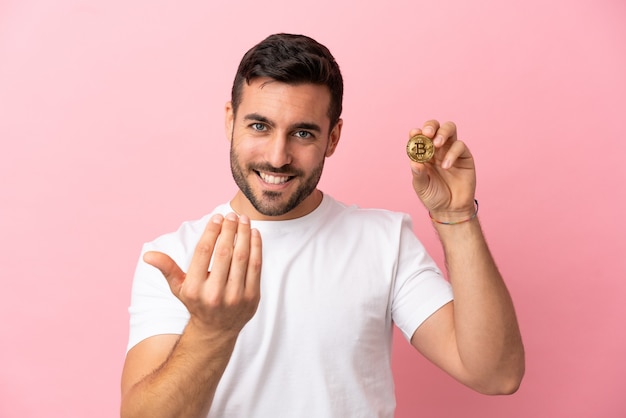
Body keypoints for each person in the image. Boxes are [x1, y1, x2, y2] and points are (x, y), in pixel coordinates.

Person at [120, 33, 524, 418]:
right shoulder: (173, 257)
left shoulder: (384, 242)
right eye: (259, 126)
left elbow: (496, 374)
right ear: (230, 121)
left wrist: (455, 216)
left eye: (303, 133)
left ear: (333, 138)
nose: (278, 157)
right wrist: (212, 331)